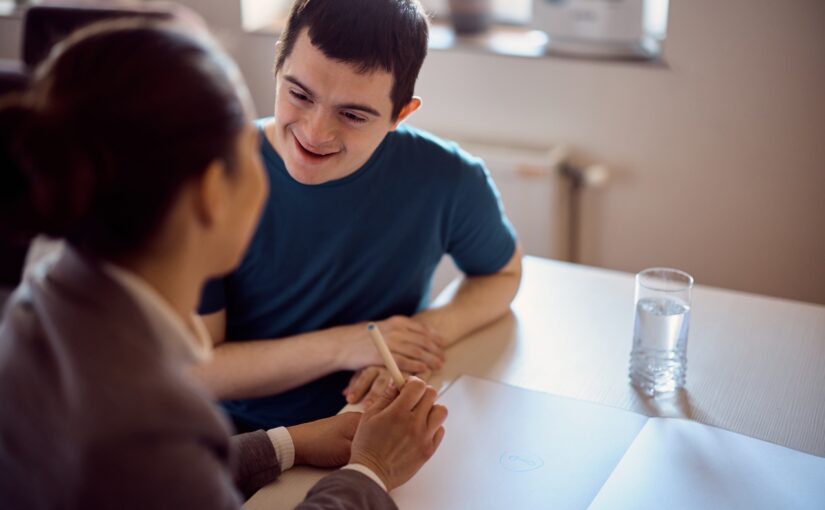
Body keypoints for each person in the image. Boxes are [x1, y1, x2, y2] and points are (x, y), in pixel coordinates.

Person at [0, 19, 446, 509]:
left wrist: (287, 443)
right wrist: (373, 469)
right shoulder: (140, 425)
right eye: (251, 155)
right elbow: (153, 466)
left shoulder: (46, 301)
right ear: (214, 194)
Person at [196, 0, 523, 431]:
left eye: (351, 115)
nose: (315, 133)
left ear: (400, 115)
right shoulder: (208, 176)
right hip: (244, 448)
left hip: (376, 429)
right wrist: (352, 344)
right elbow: (198, 372)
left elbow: (502, 274)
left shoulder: (449, 178)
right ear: (277, 68)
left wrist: (419, 335)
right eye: (299, 94)